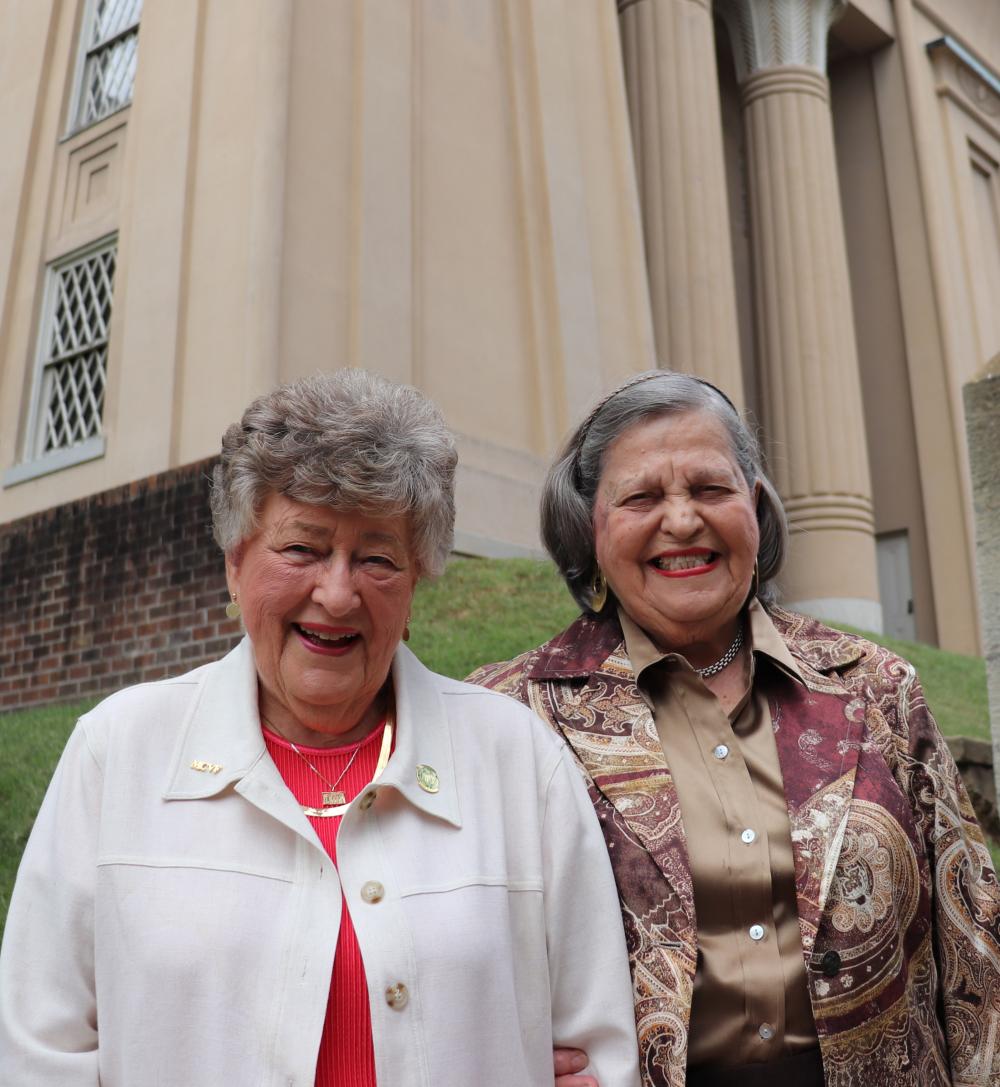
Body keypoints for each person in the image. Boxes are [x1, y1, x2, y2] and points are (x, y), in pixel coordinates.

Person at [0, 370, 640, 1087]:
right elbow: (37, 1051)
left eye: (376, 558)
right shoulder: (118, 752)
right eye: (301, 549)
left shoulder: (517, 760)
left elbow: (597, 1049)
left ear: (418, 579)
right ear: (235, 562)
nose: (337, 594)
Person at [468, 369, 1000, 1087]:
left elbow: (976, 955)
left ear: (754, 505)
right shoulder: (510, 712)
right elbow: (447, 957)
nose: (683, 520)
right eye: (643, 496)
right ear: (590, 526)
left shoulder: (877, 687)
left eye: (710, 489)